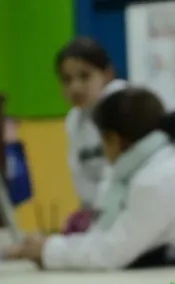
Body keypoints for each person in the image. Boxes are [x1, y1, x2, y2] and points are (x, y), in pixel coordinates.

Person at [6, 87, 175, 271]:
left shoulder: (158, 178)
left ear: (113, 139)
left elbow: (111, 252)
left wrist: (46, 249)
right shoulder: (165, 164)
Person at [56, 37, 128, 225]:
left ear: (108, 74)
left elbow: (119, 172)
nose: (75, 87)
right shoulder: (74, 120)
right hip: (101, 214)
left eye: (85, 76)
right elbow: (79, 175)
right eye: (67, 80)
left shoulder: (123, 107)